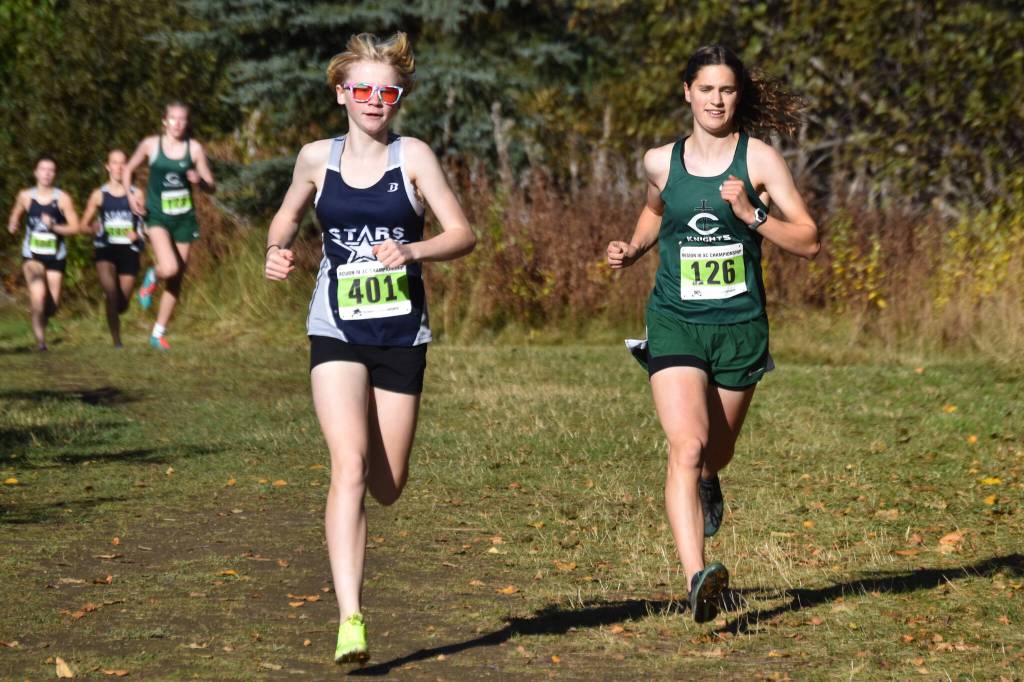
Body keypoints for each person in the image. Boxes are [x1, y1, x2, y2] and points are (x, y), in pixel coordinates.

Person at [264, 32, 475, 663]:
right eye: (362, 90)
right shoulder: (315, 158)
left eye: (387, 92)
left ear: (398, 98)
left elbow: (462, 233)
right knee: (349, 466)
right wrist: (276, 249)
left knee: (387, 484)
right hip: (335, 327)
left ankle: (352, 604)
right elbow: (287, 217)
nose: (374, 101)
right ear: (341, 94)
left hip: (401, 333)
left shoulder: (414, 157)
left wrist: (413, 249)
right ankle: (350, 618)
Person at [606, 44, 819, 624]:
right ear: (687, 92)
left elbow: (808, 240)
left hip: (739, 328)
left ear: (737, 95)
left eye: (726, 89)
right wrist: (633, 247)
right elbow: (655, 211)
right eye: (706, 89)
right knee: (687, 445)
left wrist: (753, 215)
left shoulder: (760, 161)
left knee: (714, 453)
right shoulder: (660, 161)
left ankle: (709, 480)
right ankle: (698, 576)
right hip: (674, 319)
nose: (716, 100)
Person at [123, 101, 215, 350]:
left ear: (187, 122)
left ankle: (158, 333)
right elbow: (128, 169)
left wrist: (199, 180)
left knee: (177, 278)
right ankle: (152, 276)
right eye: (173, 118)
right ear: (164, 120)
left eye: (182, 119)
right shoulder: (151, 145)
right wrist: (131, 194)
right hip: (157, 217)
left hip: (184, 219)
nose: (177, 123)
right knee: (170, 267)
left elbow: (211, 185)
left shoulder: (194, 149)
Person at [6, 155, 80, 351]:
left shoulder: (63, 199)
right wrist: (13, 223)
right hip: (32, 254)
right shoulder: (25, 196)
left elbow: (75, 227)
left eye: (51, 170)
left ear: (54, 174)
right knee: (38, 294)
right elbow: (15, 214)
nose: (47, 173)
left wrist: (54, 226)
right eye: (43, 169)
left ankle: (39, 315)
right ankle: (41, 342)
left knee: (52, 306)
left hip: (56, 256)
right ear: (36, 172)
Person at [79, 149, 146, 347]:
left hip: (129, 250)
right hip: (105, 249)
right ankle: (117, 341)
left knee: (121, 304)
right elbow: (83, 225)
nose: (119, 167)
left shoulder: (137, 193)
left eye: (123, 163)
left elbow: (147, 224)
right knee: (111, 293)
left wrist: (138, 234)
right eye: (114, 163)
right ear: (108, 167)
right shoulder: (98, 195)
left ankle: (115, 309)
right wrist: (92, 228)